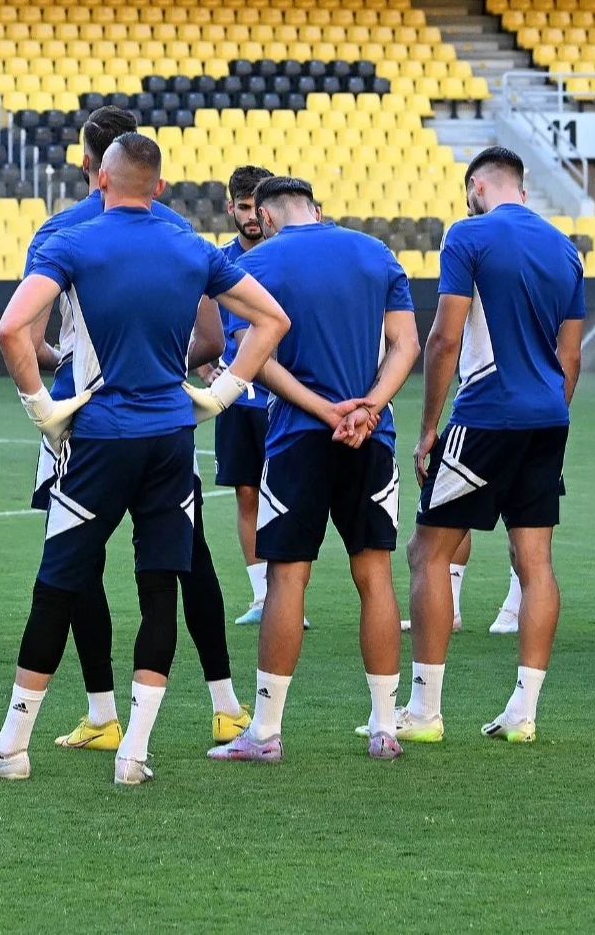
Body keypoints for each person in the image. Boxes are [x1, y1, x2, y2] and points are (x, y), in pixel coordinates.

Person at [0, 132, 290, 786]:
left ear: (100, 182)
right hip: (170, 437)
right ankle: (134, 750)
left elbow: (7, 328)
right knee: (159, 585)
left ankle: (11, 746)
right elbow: (270, 320)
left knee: (57, 586)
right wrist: (219, 394)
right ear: (158, 187)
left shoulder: (71, 243)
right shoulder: (192, 247)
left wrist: (41, 408)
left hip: (100, 439)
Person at [24, 105, 251, 749]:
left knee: (73, 567)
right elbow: (210, 336)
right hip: (166, 420)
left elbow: (31, 337)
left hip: (81, 421)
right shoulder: (176, 230)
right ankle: (225, 704)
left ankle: (100, 713)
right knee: (185, 564)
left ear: (87, 165)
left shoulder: (61, 232)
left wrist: (63, 383)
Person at [208, 175, 420, 764]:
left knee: (287, 579)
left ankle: (267, 732)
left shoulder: (262, 263)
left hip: (300, 438)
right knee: (374, 575)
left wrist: (324, 409)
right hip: (371, 437)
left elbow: (255, 360)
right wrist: (370, 406)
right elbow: (406, 344)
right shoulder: (375, 252)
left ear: (269, 217)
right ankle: (384, 727)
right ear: (316, 209)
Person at [406, 147, 584, 744]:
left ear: (477, 185)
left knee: (428, 553)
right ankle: (523, 711)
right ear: (523, 188)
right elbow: (572, 354)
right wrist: (554, 414)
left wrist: (430, 425)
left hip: (484, 415)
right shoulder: (565, 247)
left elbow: (444, 338)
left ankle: (425, 711)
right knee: (534, 563)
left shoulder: (468, 235)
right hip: (547, 419)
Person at [219, 164, 275, 625]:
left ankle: (287, 594)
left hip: (285, 396)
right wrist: (205, 367)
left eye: (258, 207)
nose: (252, 216)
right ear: (230, 208)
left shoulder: (288, 255)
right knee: (246, 491)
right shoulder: (220, 262)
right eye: (244, 207)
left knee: (289, 493)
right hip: (237, 398)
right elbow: (203, 326)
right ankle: (261, 597)